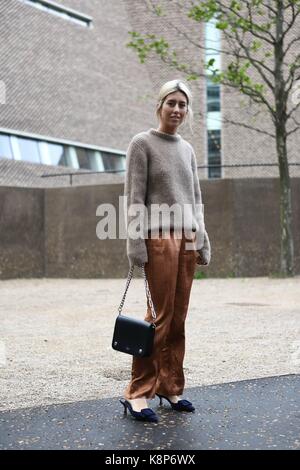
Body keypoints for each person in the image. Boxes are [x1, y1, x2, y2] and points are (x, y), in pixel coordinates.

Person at [120, 79, 211, 423]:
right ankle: (139, 393)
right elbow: (134, 198)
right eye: (171, 102)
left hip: (187, 238)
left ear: (187, 111)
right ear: (159, 105)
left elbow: (196, 199)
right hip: (158, 239)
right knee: (158, 318)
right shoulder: (141, 144)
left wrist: (202, 239)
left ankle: (170, 386)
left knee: (178, 318)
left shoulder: (187, 149)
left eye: (182, 104)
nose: (177, 109)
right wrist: (135, 243)